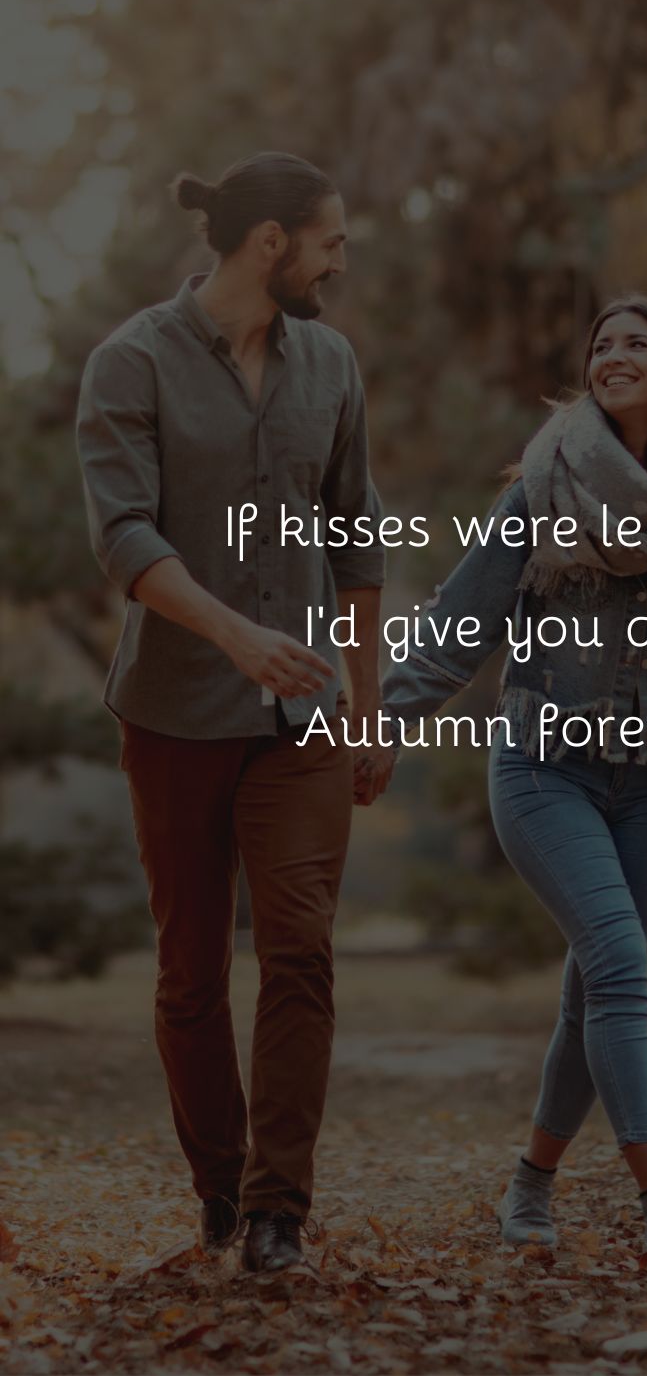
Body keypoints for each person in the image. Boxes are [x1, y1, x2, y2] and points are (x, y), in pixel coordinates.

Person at [380, 295, 647, 1252]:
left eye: (637, 343)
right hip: (542, 773)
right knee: (619, 965)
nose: (615, 355)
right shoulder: (545, 489)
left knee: (589, 990)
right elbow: (461, 620)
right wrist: (381, 721)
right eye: (602, 344)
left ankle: (527, 1191)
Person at [76, 151, 392, 1273]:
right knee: (191, 973)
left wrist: (366, 706)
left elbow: (355, 534)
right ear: (272, 246)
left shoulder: (331, 366)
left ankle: (276, 1212)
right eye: (331, 242)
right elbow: (126, 539)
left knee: (301, 950)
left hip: (302, 723)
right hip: (174, 713)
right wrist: (235, 635)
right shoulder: (131, 363)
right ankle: (218, 1189)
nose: (339, 261)